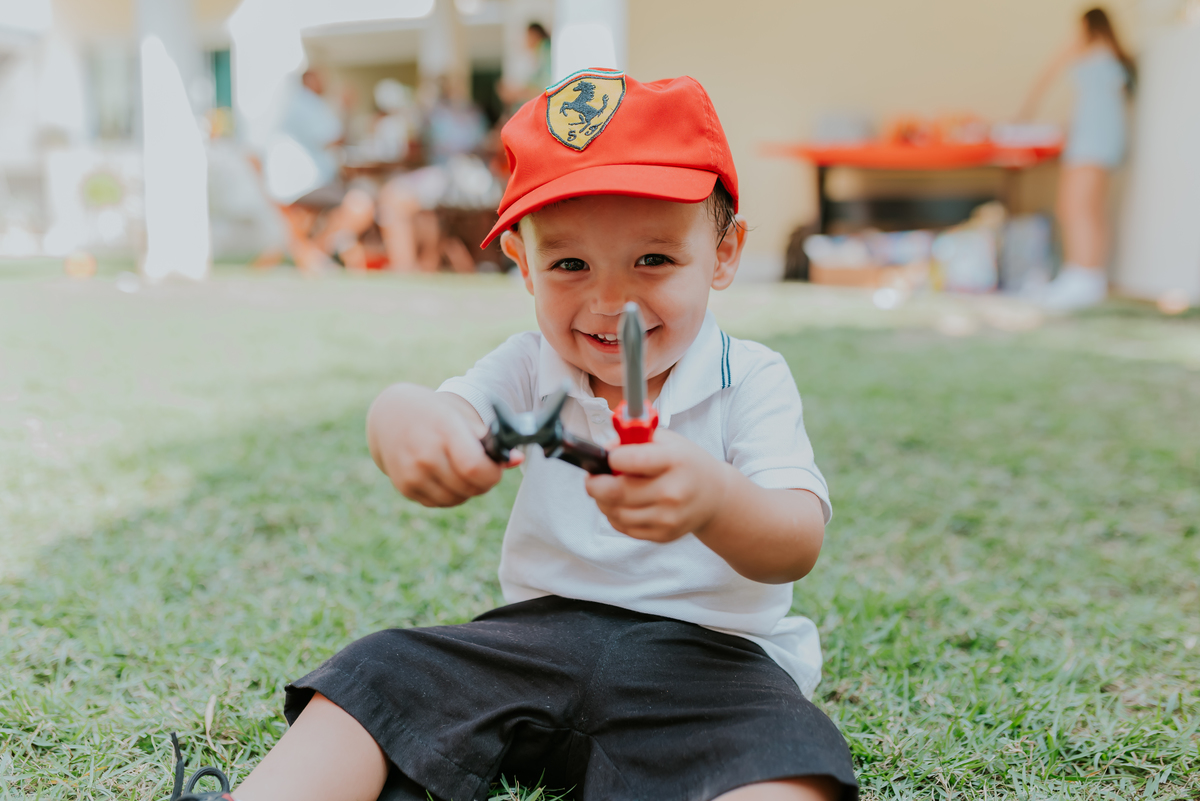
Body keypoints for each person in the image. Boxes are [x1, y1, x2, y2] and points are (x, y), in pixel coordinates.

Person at [233, 70, 858, 801]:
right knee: (376, 670)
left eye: (653, 259)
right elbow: (438, 411)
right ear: (524, 265)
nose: (610, 300)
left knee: (790, 752)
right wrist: (407, 422)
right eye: (569, 264)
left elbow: (796, 541)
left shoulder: (750, 376)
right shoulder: (530, 366)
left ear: (723, 254)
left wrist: (716, 499)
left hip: (710, 663)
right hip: (534, 640)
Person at [1018, 7, 1135, 310]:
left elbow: (1046, 76)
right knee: (1091, 210)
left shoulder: (1091, 51)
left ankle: (1081, 278)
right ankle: (1087, 277)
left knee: (1075, 207)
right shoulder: (1114, 55)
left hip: (1091, 139)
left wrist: (1024, 117)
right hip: (1103, 137)